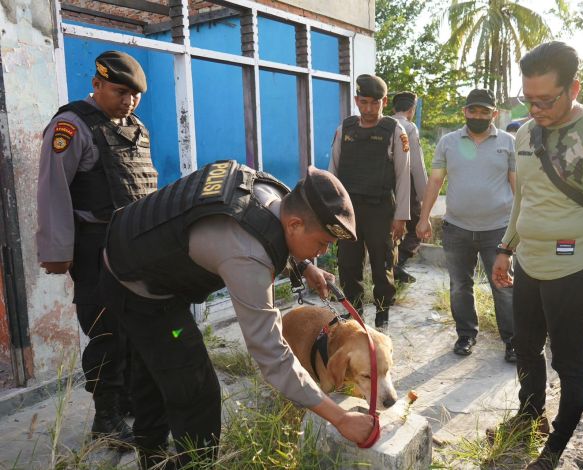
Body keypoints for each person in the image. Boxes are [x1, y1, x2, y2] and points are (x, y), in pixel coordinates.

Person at [97, 163, 375, 468]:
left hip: (131, 244)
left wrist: (303, 266)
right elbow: (273, 357)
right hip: (137, 289)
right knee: (195, 385)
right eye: (321, 243)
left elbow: (267, 234)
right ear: (295, 224)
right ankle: (196, 464)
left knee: (157, 364)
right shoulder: (247, 257)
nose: (321, 252)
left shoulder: (268, 192)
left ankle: (151, 458)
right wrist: (340, 418)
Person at [490, 41, 583, 469]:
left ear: (573, 87)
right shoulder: (525, 132)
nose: (536, 108)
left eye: (546, 100)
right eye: (528, 99)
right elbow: (525, 201)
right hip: (530, 264)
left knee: (569, 360)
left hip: (579, 269)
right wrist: (506, 247)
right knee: (524, 347)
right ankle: (529, 414)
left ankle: (560, 444)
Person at [36, 50, 158, 444]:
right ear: (97, 84)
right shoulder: (71, 126)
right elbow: (52, 190)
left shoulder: (136, 127)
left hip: (134, 246)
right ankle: (106, 420)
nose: (129, 101)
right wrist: (56, 252)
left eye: (135, 95)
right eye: (121, 92)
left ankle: (129, 404)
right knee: (106, 332)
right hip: (95, 248)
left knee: (137, 330)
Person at [416, 89, 516, 362]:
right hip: (457, 229)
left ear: (494, 114)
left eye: (485, 111)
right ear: (465, 111)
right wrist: (424, 218)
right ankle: (466, 335)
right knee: (460, 285)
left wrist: (519, 230)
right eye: (473, 110)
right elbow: (435, 181)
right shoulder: (448, 142)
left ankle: (512, 341)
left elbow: (518, 188)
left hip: (498, 229)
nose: (478, 116)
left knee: (503, 284)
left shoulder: (508, 143)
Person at [328, 74, 411, 329]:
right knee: (348, 266)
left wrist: (401, 216)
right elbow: (332, 173)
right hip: (349, 211)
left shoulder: (395, 130)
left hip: (380, 210)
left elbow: (403, 176)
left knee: (382, 264)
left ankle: (382, 316)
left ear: (384, 102)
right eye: (363, 102)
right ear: (356, 100)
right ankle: (354, 317)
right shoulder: (345, 129)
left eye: (374, 103)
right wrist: (330, 213)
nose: (368, 109)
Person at [390, 91, 428, 284]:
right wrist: (425, 194)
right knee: (417, 228)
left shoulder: (383, 124)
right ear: (412, 109)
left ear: (393, 107)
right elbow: (415, 164)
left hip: (383, 188)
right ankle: (397, 264)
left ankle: (389, 269)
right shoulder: (409, 127)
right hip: (407, 186)